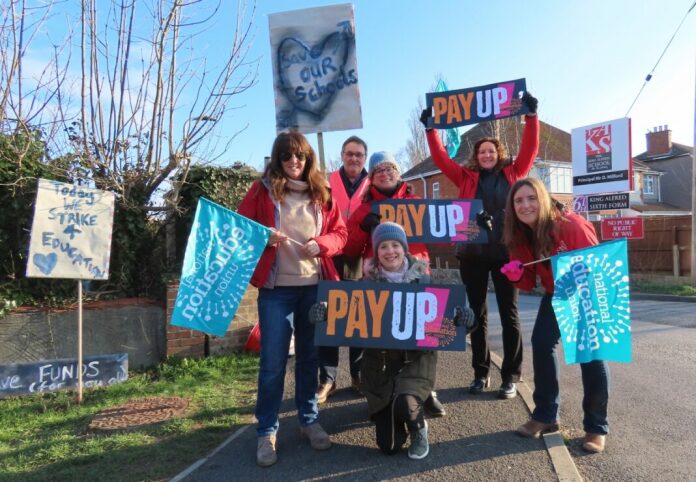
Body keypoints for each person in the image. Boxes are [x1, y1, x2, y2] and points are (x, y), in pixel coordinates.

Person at [237, 131, 348, 467]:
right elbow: (240, 228)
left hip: (314, 287)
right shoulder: (261, 190)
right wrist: (264, 236)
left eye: (299, 156)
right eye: (287, 157)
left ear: (308, 158)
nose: (294, 162)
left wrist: (324, 243)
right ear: (278, 160)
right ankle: (266, 432)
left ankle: (308, 420)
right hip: (276, 291)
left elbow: (341, 233)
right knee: (272, 363)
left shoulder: (322, 191)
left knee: (309, 359)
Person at [420, 91, 539, 399]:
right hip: (472, 254)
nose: (487, 155)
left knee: (510, 315)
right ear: (477, 156)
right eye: (482, 152)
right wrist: (430, 130)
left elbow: (529, 149)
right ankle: (480, 372)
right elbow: (440, 159)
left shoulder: (513, 172)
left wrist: (531, 117)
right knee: (476, 314)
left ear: (498, 153)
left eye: (491, 151)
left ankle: (510, 376)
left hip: (505, 254)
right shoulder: (465, 177)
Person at [502, 177, 609, 453]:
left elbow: (597, 264)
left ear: (543, 198)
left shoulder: (571, 225)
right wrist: (517, 274)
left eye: (531, 198)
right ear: (512, 207)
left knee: (589, 354)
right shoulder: (519, 235)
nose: (525, 205)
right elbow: (527, 283)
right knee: (541, 343)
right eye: (518, 201)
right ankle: (546, 416)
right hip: (554, 293)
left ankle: (596, 428)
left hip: (585, 292)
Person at [358, 222, 475, 459]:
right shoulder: (365, 285)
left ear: (404, 248)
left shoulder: (425, 280)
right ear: (376, 251)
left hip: (416, 362)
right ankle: (390, 410)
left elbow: (448, 323)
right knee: (389, 447)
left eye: (395, 245)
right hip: (379, 367)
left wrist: (466, 320)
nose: (390, 251)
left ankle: (418, 427)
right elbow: (344, 318)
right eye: (383, 247)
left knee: (405, 403)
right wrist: (325, 313)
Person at [344, 151, 445, 417]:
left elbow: (444, 232)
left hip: (417, 275)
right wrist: (363, 228)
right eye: (379, 171)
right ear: (372, 178)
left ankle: (425, 390)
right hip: (378, 280)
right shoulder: (364, 209)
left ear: (398, 174)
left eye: (390, 169)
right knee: (381, 339)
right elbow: (350, 248)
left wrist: (473, 224)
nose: (386, 174)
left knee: (423, 337)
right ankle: (383, 392)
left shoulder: (416, 202)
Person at [317, 135, 371, 404]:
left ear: (365, 158)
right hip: (329, 257)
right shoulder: (325, 181)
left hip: (359, 259)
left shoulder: (373, 184)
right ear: (342, 155)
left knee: (358, 322)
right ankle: (328, 378)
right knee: (329, 320)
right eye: (350, 154)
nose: (354, 159)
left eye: (359, 155)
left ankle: (358, 375)